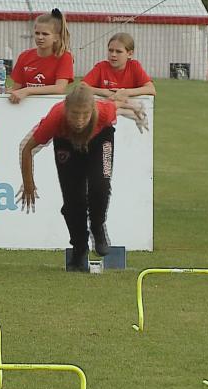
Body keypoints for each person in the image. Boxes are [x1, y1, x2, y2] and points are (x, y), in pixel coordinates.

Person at [19, 84, 147, 271]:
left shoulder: (103, 112)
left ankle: (97, 226)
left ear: (92, 110)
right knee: (73, 201)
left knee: (100, 186)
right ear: (66, 110)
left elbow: (117, 104)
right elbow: (27, 148)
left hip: (100, 139)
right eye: (74, 114)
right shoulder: (56, 117)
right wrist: (28, 183)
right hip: (66, 141)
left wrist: (136, 109)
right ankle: (79, 248)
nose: (79, 120)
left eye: (84, 115)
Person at [0, 8, 73, 104]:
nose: (40, 37)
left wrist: (28, 90)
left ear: (56, 37)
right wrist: (1, 91)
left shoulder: (64, 57)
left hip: (50, 106)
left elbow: (59, 88)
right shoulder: (24, 56)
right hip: (25, 107)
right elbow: (16, 89)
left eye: (45, 34)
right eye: (37, 33)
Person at [82, 32, 156, 101]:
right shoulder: (101, 67)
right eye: (110, 50)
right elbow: (81, 88)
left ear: (130, 54)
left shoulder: (134, 66)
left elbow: (151, 89)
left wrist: (126, 92)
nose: (113, 54)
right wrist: (104, 92)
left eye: (118, 51)